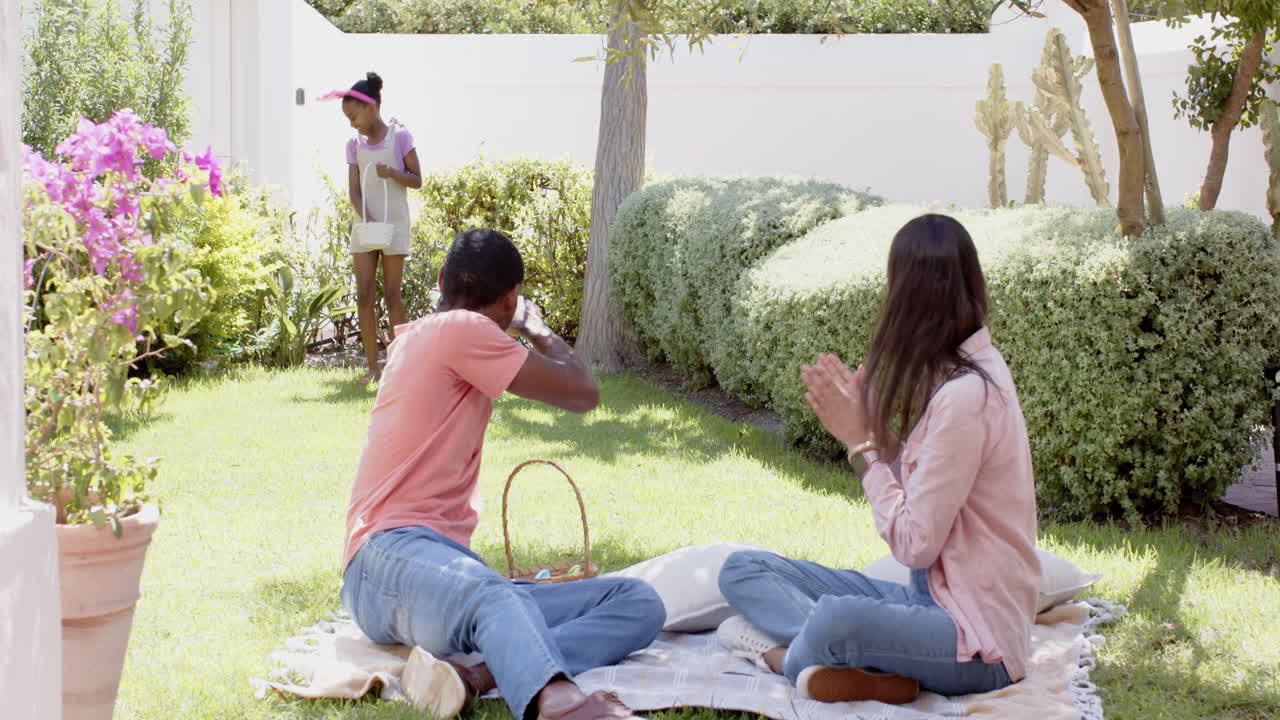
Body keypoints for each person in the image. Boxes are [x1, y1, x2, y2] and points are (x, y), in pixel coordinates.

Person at [340, 228, 665, 720]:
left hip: (422, 580)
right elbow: (583, 392)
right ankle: (561, 705)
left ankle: (476, 676)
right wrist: (535, 327)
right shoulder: (462, 328)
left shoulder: (424, 335)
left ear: (442, 278)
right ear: (511, 298)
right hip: (386, 558)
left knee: (636, 600)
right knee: (491, 592)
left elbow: (581, 394)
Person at [715, 214, 1040, 704]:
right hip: (931, 599)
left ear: (906, 297)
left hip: (976, 642)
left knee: (836, 618)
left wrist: (861, 448)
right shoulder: (966, 374)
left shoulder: (967, 393)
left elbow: (915, 545)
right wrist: (881, 438)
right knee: (743, 569)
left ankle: (783, 658)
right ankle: (855, 661)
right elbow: (933, 487)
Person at [327, 71, 421, 385]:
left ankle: (400, 368)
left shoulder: (401, 136)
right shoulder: (353, 145)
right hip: (365, 225)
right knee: (364, 294)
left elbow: (417, 180)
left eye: (354, 116)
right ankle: (372, 367)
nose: (352, 124)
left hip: (395, 224)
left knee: (393, 296)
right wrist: (365, 216)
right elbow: (354, 190)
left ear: (371, 107)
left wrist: (392, 172)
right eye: (348, 119)